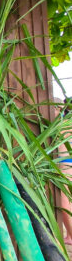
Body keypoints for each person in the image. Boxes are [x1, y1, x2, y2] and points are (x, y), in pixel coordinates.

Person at [59, 97, 72, 245]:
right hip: (66, 164)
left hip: (66, 165)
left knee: (63, 201)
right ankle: (69, 235)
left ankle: (71, 236)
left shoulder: (64, 123)